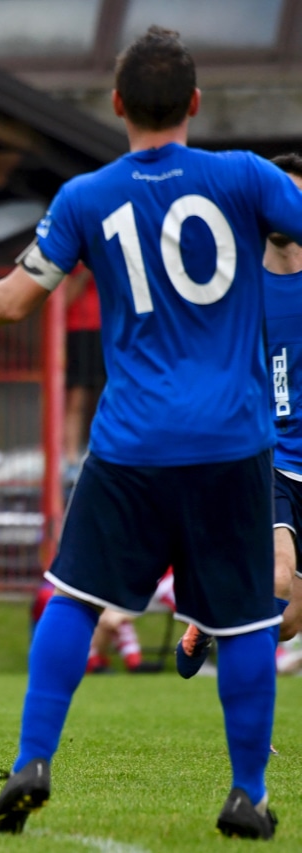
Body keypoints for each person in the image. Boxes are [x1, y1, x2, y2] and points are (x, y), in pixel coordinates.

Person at [0, 26, 302, 839]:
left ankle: (33, 759)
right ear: (195, 102)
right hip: (232, 441)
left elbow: (12, 302)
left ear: (118, 104)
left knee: (77, 596)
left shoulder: (85, 197)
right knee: (243, 620)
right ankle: (247, 792)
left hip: (130, 441)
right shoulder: (248, 176)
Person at [177, 152, 302, 674]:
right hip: (264, 459)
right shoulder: (235, 286)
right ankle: (251, 719)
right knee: (276, 577)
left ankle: (213, 614)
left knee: (289, 622)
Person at [62, 265, 104, 476]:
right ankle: (70, 461)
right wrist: (85, 271)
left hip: (109, 330)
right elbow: (64, 300)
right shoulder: (71, 262)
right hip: (79, 331)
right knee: (77, 398)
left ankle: (103, 455)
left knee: (108, 397)